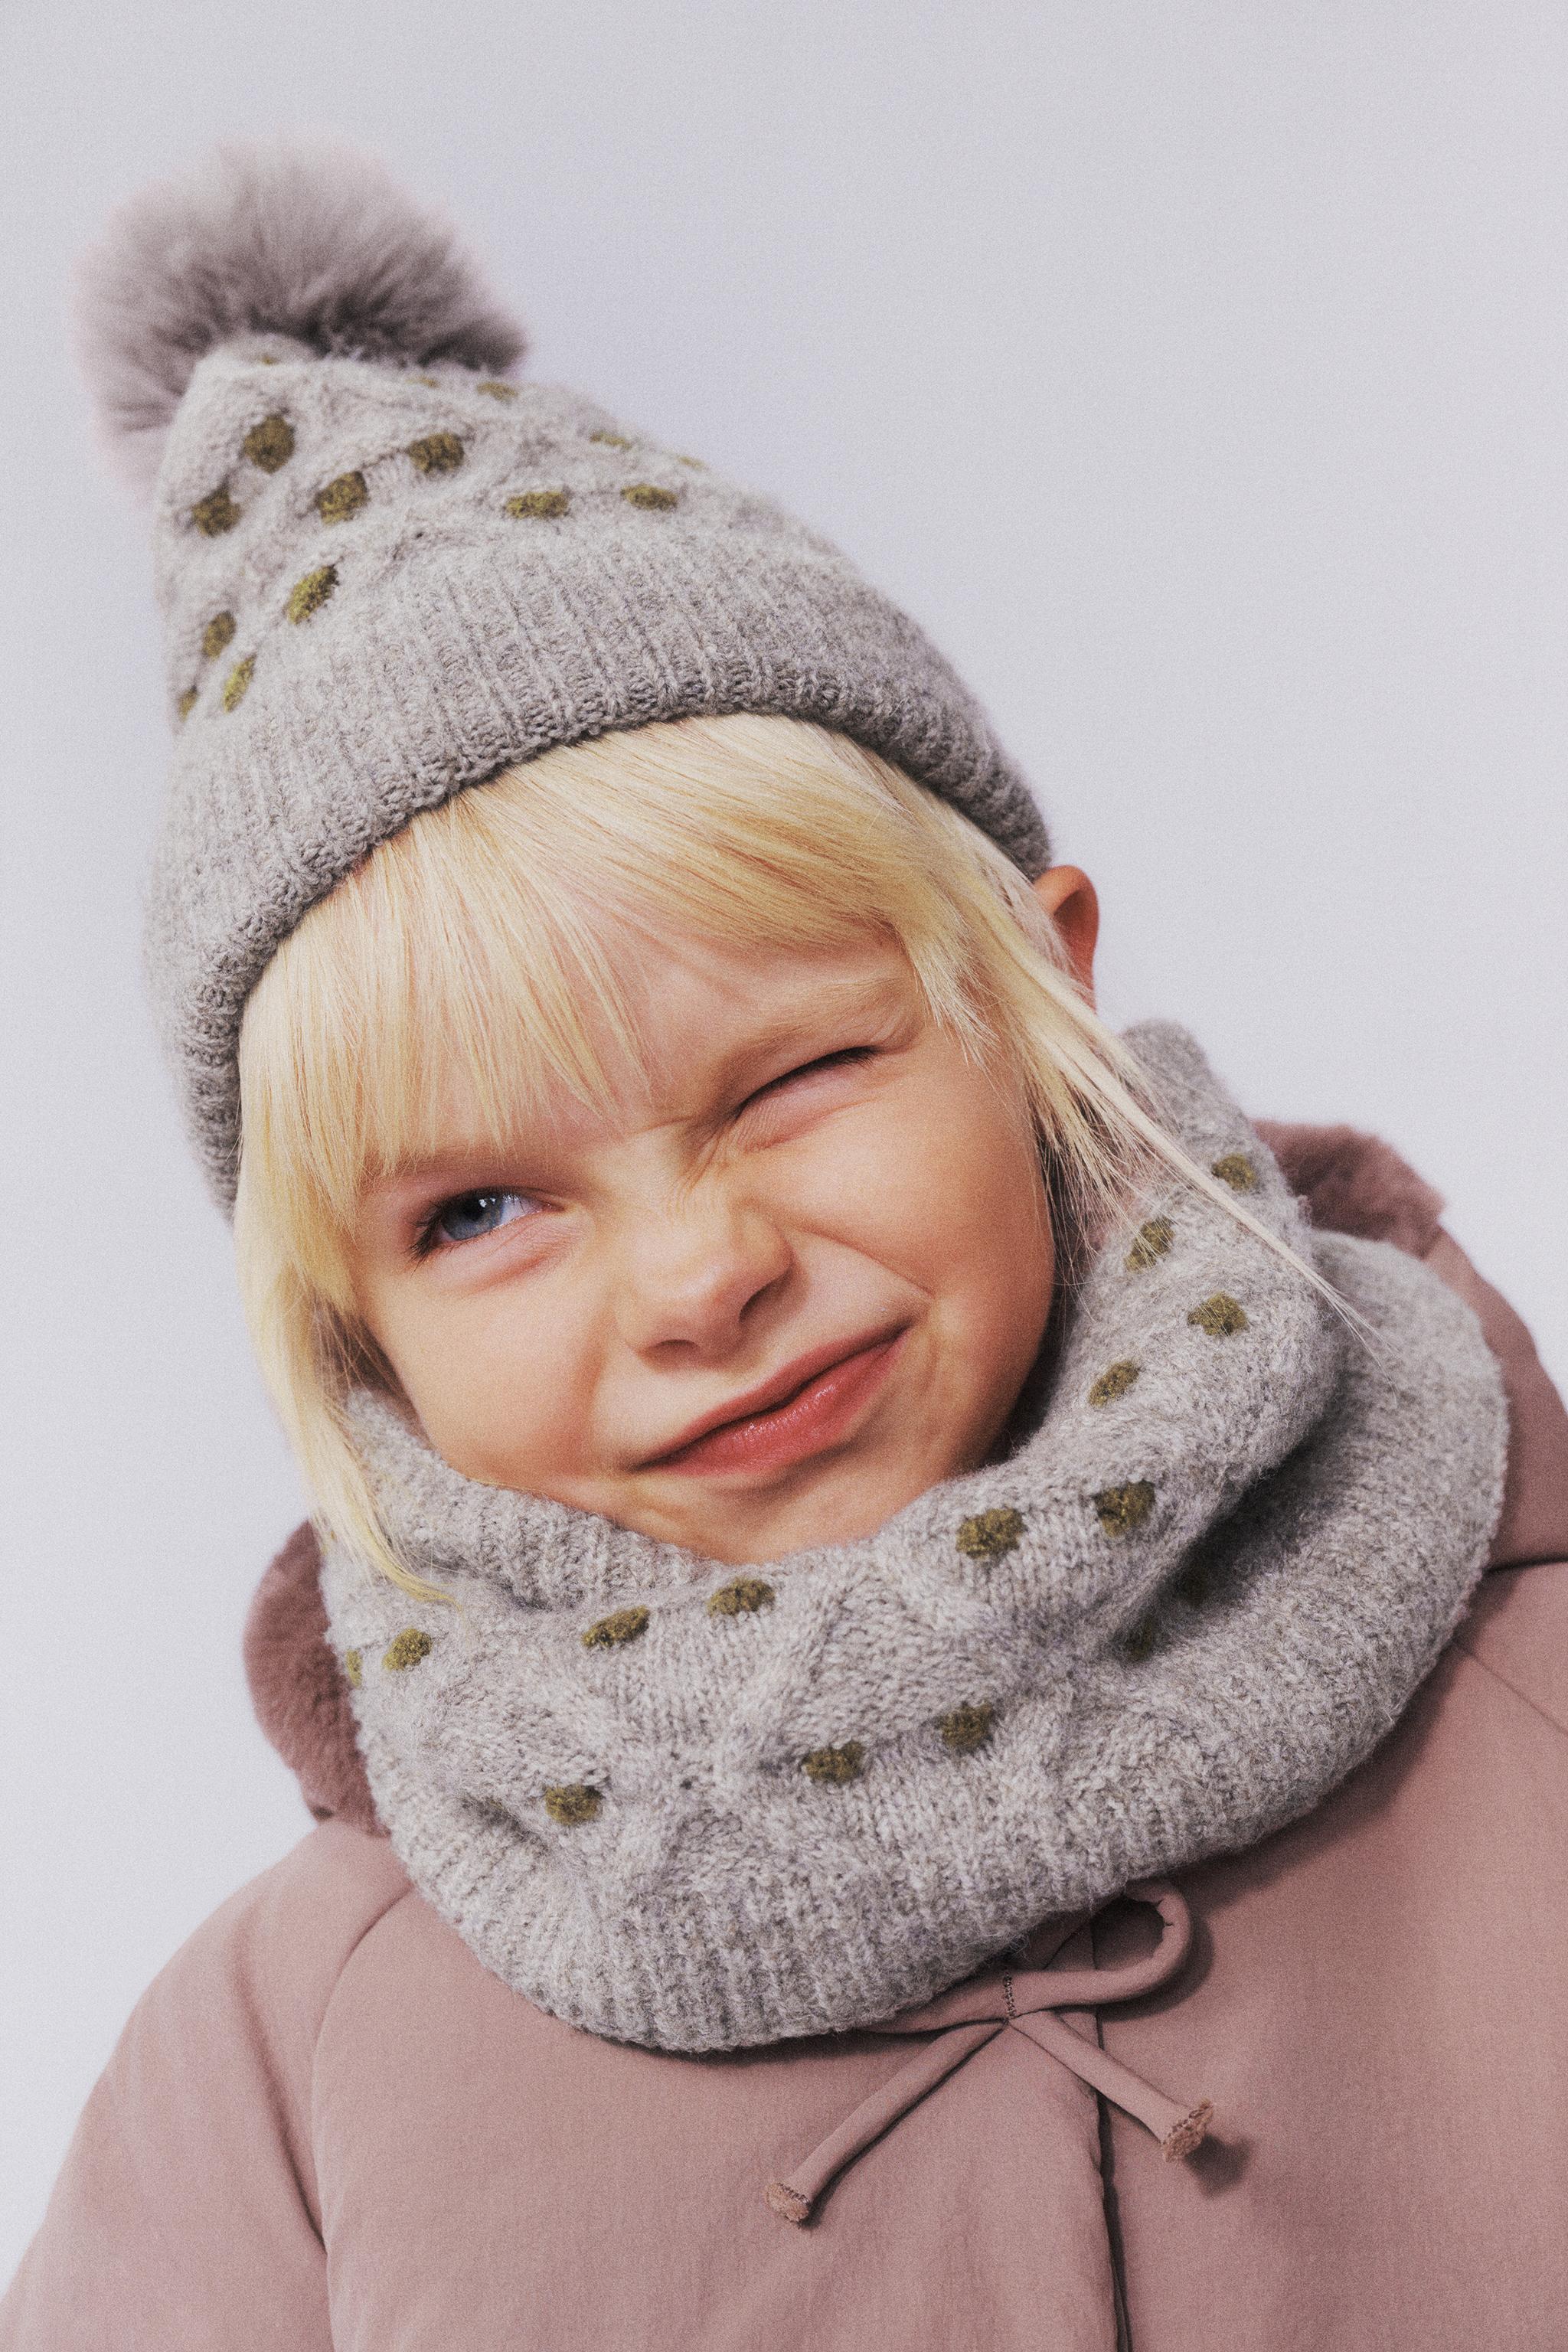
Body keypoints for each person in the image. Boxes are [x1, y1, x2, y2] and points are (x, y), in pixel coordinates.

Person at [5, 140, 1565, 2352]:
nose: (696, 1279)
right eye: (480, 1212)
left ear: (1044, 1002)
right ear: (351, 1330)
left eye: (797, 1079)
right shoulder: (285, 2068)